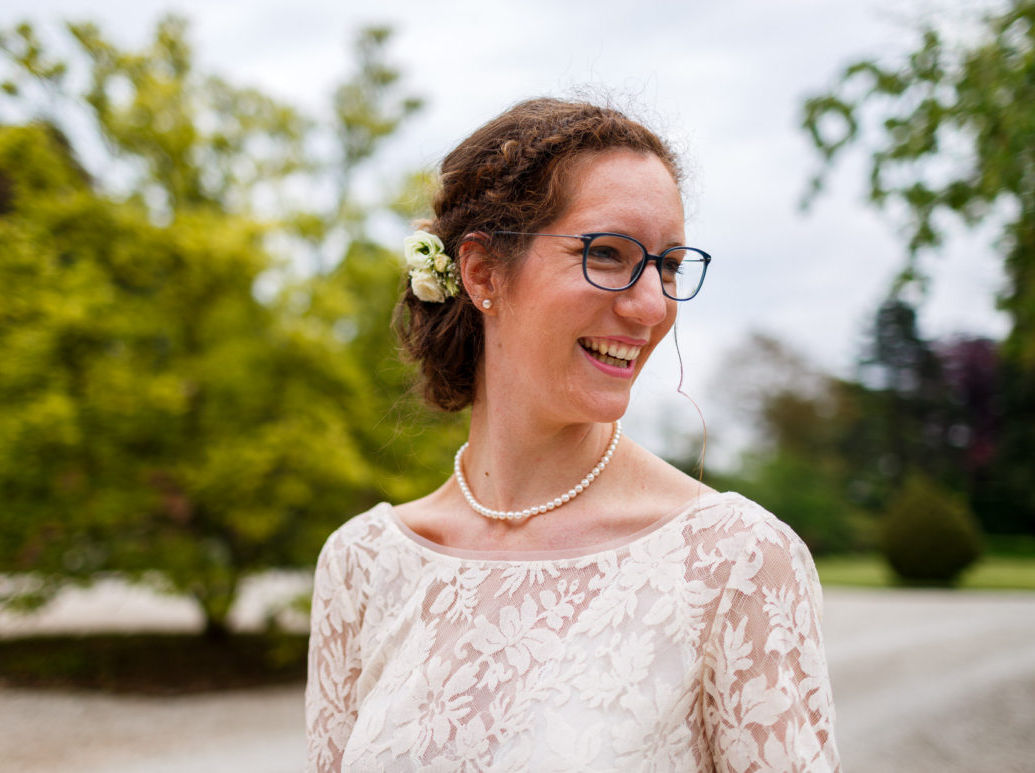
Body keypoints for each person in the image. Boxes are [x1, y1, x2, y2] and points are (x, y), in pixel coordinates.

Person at [305, 97, 841, 772]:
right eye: (607, 253)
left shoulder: (736, 562)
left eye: (669, 265)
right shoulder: (362, 564)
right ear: (482, 272)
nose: (652, 306)